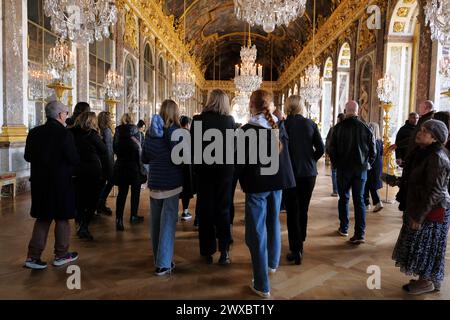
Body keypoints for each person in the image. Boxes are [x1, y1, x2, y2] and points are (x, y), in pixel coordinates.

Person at [237, 90, 295, 298]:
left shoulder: (246, 131)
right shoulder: (278, 126)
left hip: (257, 185)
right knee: (273, 223)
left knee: (256, 232)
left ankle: (262, 284)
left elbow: (241, 163)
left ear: (251, 105)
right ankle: (271, 264)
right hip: (277, 183)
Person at [393, 119, 450, 294]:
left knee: (425, 246)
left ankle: (426, 282)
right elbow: (416, 180)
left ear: (435, 138)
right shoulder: (423, 152)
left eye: (425, 131)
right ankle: (430, 280)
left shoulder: (437, 157)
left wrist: (419, 216)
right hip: (423, 206)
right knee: (423, 245)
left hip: (432, 210)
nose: (419, 132)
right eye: (421, 129)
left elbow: (435, 191)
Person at [24, 101, 80, 269]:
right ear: (60, 115)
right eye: (66, 113)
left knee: (43, 218)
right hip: (61, 183)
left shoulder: (34, 132)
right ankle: (61, 255)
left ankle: (33, 257)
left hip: (40, 183)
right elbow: (74, 159)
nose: (67, 115)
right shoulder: (64, 134)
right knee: (62, 218)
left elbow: (27, 156)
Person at [191, 89, 235, 265]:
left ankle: (207, 251)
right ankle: (224, 252)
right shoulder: (229, 121)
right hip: (224, 172)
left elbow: (193, 149)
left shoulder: (198, 120)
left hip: (204, 171)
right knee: (223, 210)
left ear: (210, 101)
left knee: (205, 210)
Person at [142, 100, 184, 276]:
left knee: (156, 224)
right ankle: (163, 264)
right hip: (171, 183)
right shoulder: (176, 132)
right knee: (167, 224)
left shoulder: (151, 134)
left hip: (155, 183)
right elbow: (180, 158)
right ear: (175, 113)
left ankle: (159, 259)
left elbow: (144, 158)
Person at [283, 95, 324, 265]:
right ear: (301, 107)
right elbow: (321, 148)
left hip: (290, 173)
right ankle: (301, 240)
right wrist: (311, 160)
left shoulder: (283, 125)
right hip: (308, 174)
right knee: (303, 209)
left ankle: (296, 249)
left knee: (292, 212)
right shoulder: (311, 124)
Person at [329, 101, 376, 244]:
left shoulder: (337, 128)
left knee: (343, 198)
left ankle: (344, 228)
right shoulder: (366, 128)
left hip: (343, 169)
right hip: (361, 170)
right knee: (359, 200)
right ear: (358, 110)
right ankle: (360, 234)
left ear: (345, 110)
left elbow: (331, 150)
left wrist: (336, 165)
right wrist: (366, 164)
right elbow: (373, 151)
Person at [70, 112, 108, 240]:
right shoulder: (92, 134)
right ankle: (84, 226)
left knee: (79, 198)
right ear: (92, 122)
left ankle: (80, 222)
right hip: (92, 170)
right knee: (92, 199)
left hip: (76, 169)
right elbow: (103, 149)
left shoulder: (71, 133)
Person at [113, 113, 145, 231]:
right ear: (132, 120)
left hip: (121, 165)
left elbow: (114, 149)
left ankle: (119, 220)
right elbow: (141, 151)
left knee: (122, 194)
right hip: (134, 166)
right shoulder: (138, 133)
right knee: (135, 193)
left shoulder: (117, 132)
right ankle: (133, 216)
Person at [97, 111, 115, 216]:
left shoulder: (99, 130)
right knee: (110, 181)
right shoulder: (107, 131)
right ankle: (101, 203)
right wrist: (111, 165)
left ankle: (100, 204)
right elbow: (108, 149)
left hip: (100, 161)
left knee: (102, 183)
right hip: (107, 162)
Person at [179, 115, 195, 222]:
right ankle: (185, 211)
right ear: (188, 124)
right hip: (187, 166)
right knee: (186, 190)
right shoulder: (190, 134)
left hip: (176, 165)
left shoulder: (175, 134)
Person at [365, 122, 384, 212]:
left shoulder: (370, 140)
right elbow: (381, 153)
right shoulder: (380, 141)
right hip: (378, 165)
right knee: (372, 185)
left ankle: (369, 203)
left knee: (366, 184)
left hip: (370, 165)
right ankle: (370, 203)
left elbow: (370, 154)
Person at [326, 113, 345, 196]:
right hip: (344, 156)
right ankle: (342, 190)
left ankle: (335, 191)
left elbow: (328, 140)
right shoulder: (347, 129)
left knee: (334, 172)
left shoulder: (333, 129)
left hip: (334, 155)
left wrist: (328, 151)